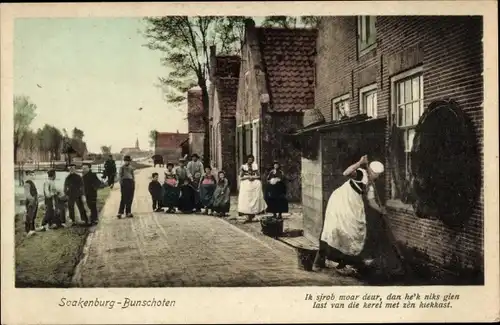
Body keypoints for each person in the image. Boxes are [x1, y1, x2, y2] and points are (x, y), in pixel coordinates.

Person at [312, 155, 386, 275]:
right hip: (341, 201)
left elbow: (371, 202)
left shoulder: (371, 185)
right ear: (371, 171)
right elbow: (346, 172)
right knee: (332, 231)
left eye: (377, 175)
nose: (376, 177)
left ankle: (341, 265)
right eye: (375, 174)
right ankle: (317, 262)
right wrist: (360, 162)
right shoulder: (361, 174)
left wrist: (381, 209)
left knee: (352, 234)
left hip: (354, 206)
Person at [237, 154, 267, 223]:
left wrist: (253, 177)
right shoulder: (243, 166)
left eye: (252, 159)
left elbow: (259, 176)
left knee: (257, 186)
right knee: (247, 198)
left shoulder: (255, 166)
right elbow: (241, 177)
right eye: (249, 159)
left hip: (253, 182)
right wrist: (248, 177)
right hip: (246, 182)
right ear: (247, 160)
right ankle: (247, 214)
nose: (250, 161)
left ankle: (254, 213)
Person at [23, 171, 38, 237]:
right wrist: (33, 200)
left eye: (32, 174)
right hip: (30, 201)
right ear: (27, 175)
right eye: (31, 174)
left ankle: (32, 229)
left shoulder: (30, 182)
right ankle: (28, 231)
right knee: (30, 216)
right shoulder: (27, 183)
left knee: (33, 216)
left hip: (33, 201)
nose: (32, 176)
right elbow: (27, 194)